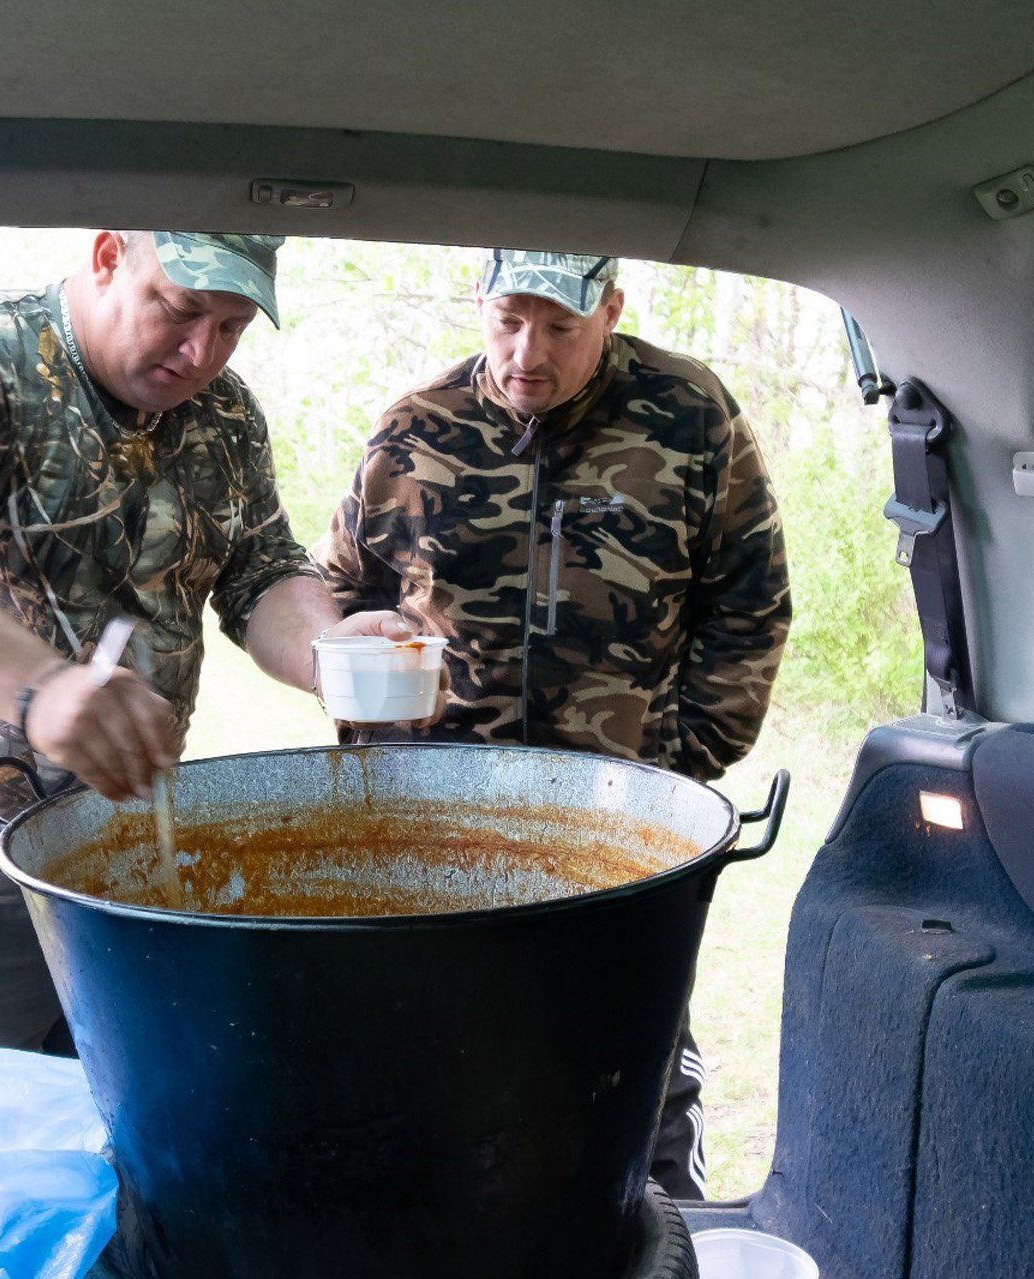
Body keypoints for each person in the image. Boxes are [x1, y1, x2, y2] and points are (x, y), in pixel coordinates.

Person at [0, 229, 420, 1052]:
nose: (202, 350)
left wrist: (330, 650)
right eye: (180, 310)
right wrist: (43, 690)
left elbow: (261, 571)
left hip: (127, 830)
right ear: (109, 256)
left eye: (233, 326)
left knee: (120, 1102)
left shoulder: (227, 415)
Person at [316, 249, 792, 1199]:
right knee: (429, 1065)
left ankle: (653, 1232)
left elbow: (749, 605)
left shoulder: (693, 415)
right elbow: (339, 590)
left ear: (611, 310)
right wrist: (358, 674)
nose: (526, 354)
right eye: (506, 322)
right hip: (435, 821)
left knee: (630, 1069)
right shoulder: (416, 426)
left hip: (620, 820)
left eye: (561, 328)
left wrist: (682, 759)